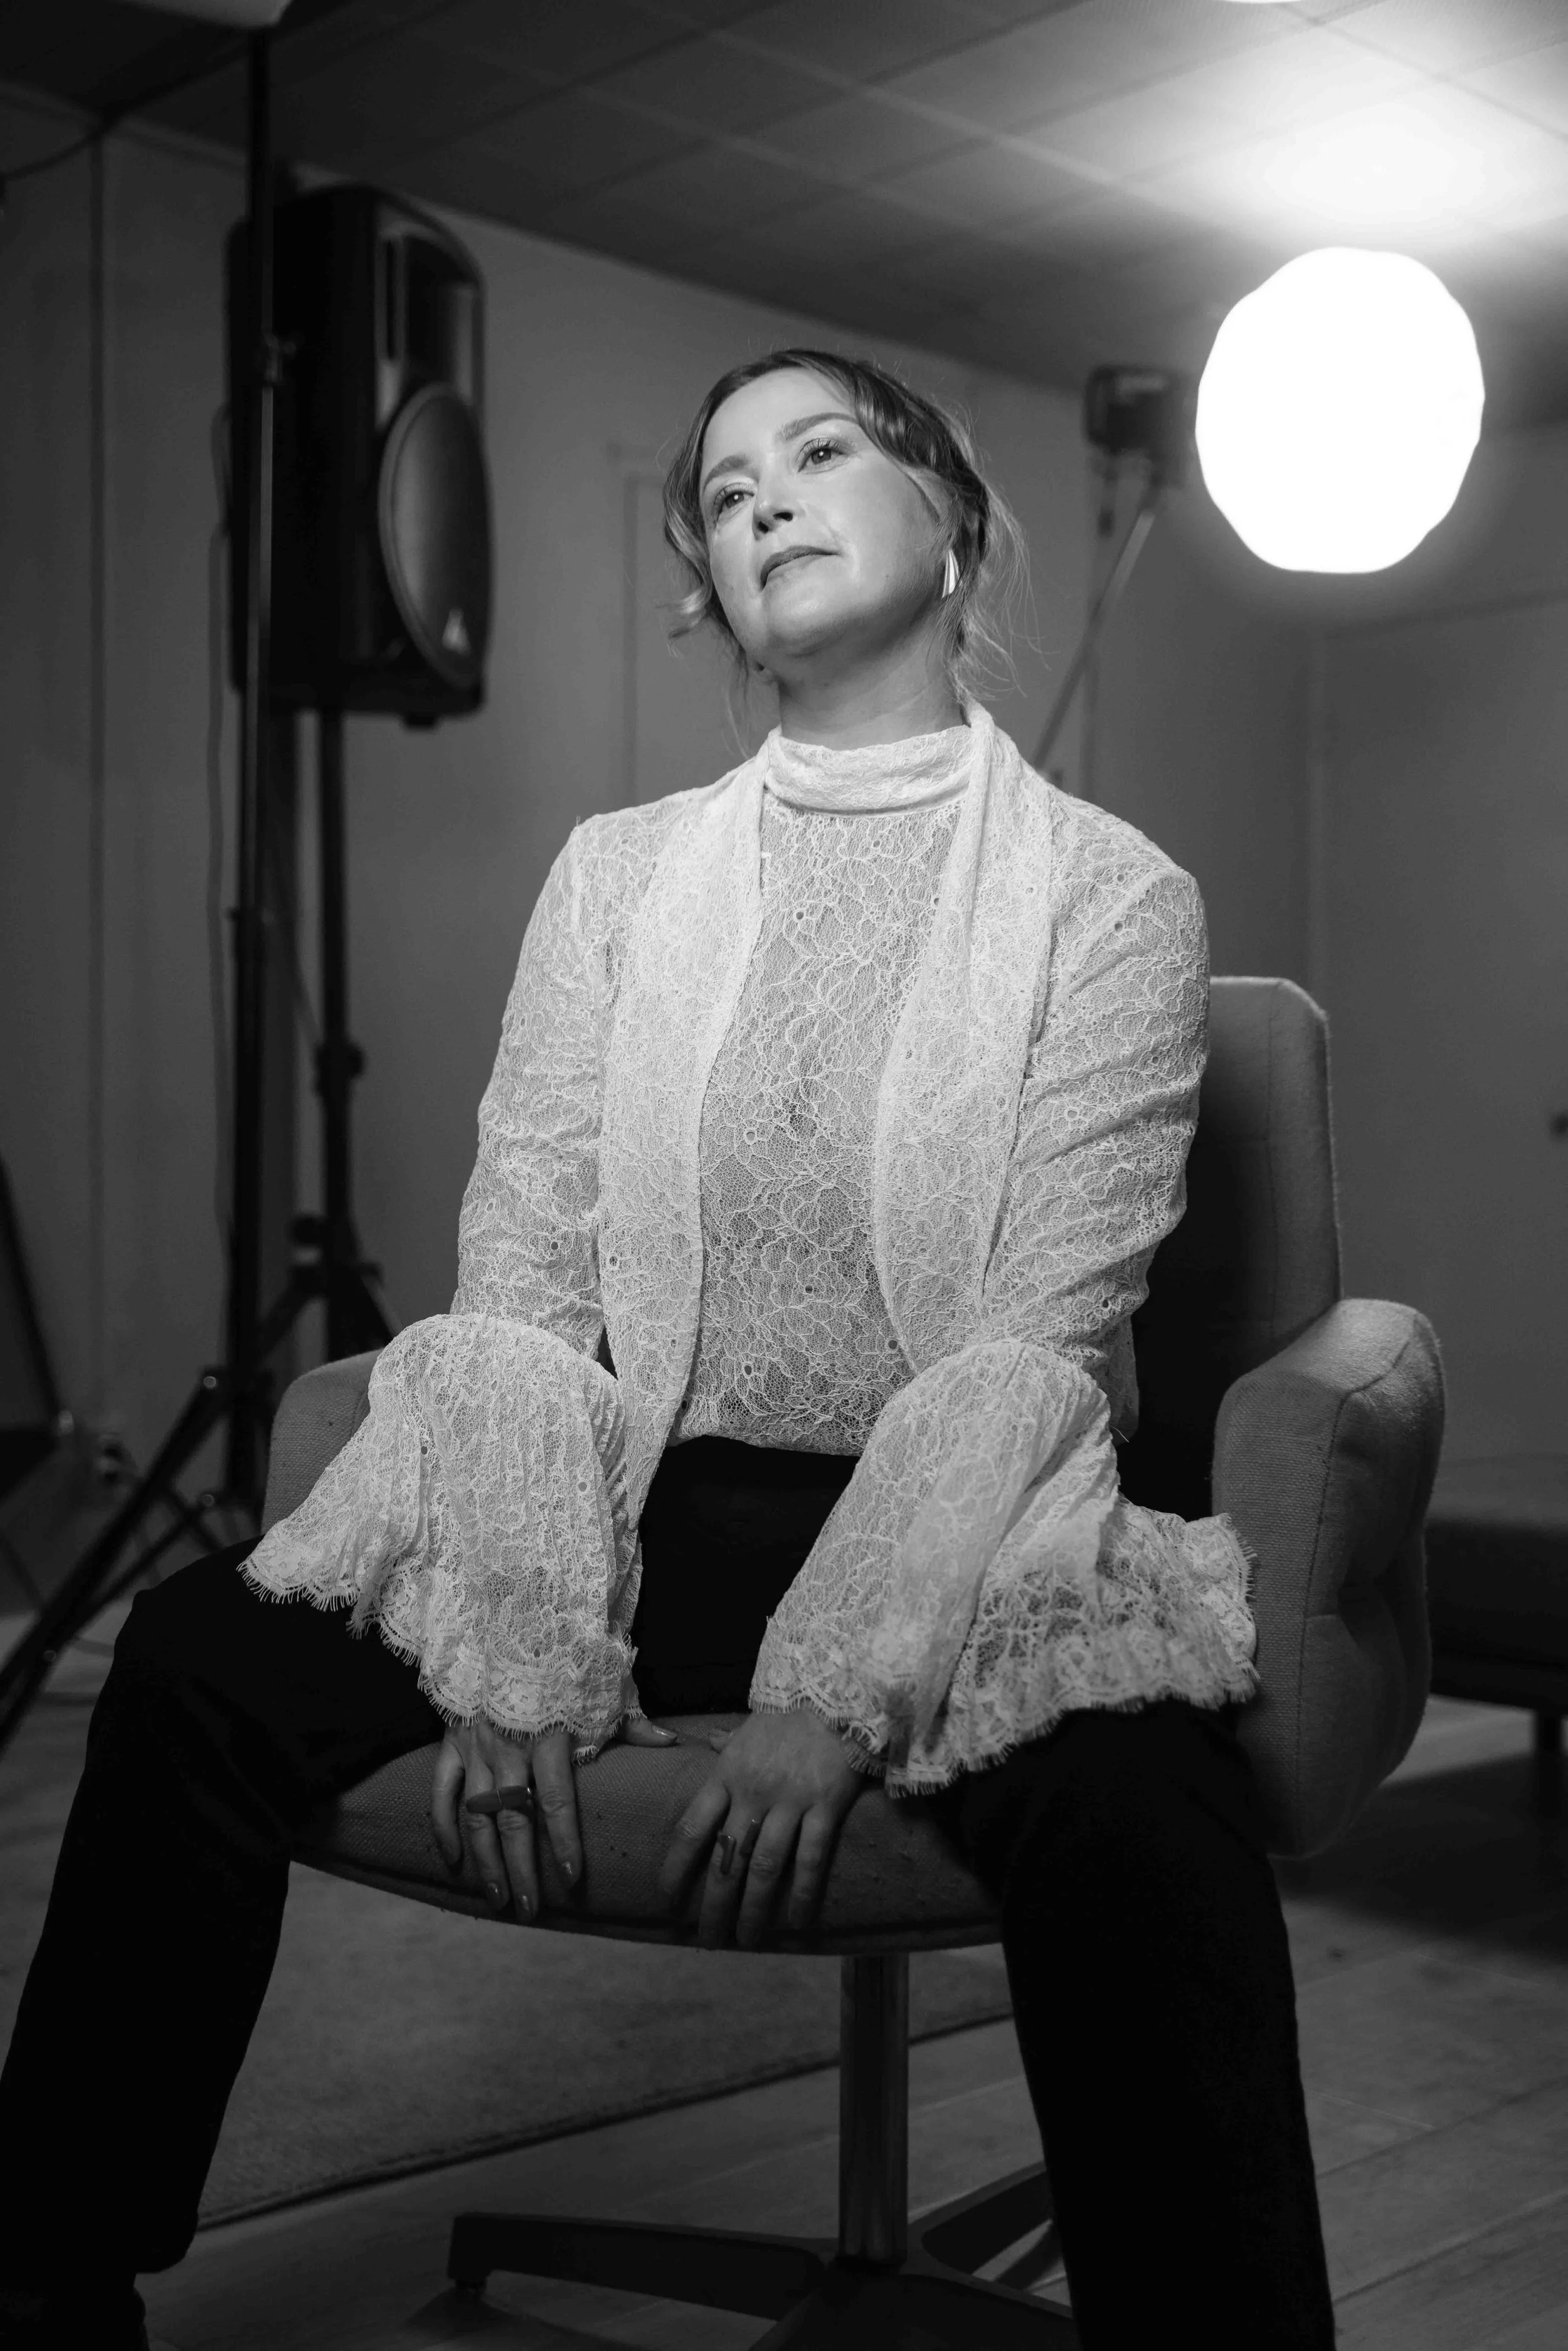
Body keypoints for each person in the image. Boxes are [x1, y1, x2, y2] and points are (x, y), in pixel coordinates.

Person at [0, 348, 1337, 2350]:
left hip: (962, 1530)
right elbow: (528, 1265)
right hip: (646, 1505)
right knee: (194, 1666)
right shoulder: (617, 874)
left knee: (1150, 1801)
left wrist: (839, 1686)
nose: (763, 500)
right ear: (710, 584)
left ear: (953, 527)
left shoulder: (1110, 895)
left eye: (819, 453)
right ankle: (45, 2279)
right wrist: (513, 1626)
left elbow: (1043, 1331)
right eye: (722, 491)